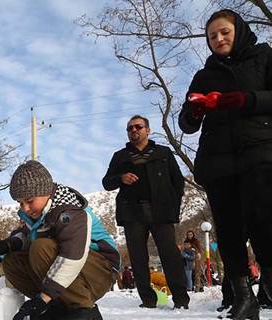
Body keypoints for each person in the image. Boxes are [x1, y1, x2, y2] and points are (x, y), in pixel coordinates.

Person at [178, 9, 272, 319]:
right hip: (219, 161)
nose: (218, 39)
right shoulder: (205, 75)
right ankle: (244, 298)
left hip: (260, 153)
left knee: (264, 221)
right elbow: (186, 122)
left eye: (224, 32)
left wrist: (247, 99)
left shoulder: (263, 56)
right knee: (229, 231)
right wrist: (194, 112)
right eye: (212, 36)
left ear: (239, 30)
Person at [0, 160, 120, 320]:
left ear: (46, 191)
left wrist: (44, 297)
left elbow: (72, 256)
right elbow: (26, 236)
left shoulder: (69, 212)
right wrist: (5, 245)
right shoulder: (36, 214)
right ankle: (56, 306)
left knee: (41, 248)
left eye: (29, 201)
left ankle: (82, 310)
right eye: (20, 203)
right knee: (12, 261)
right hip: (71, 273)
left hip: (101, 270)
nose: (25, 208)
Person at [102, 115, 189, 309]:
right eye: (130, 128)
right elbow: (107, 182)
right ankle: (148, 300)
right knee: (138, 258)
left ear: (147, 130)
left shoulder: (164, 153)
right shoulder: (120, 156)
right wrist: (121, 177)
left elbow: (178, 182)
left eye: (138, 127)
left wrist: (173, 206)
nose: (134, 130)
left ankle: (181, 299)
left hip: (161, 212)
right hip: (132, 213)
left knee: (170, 256)